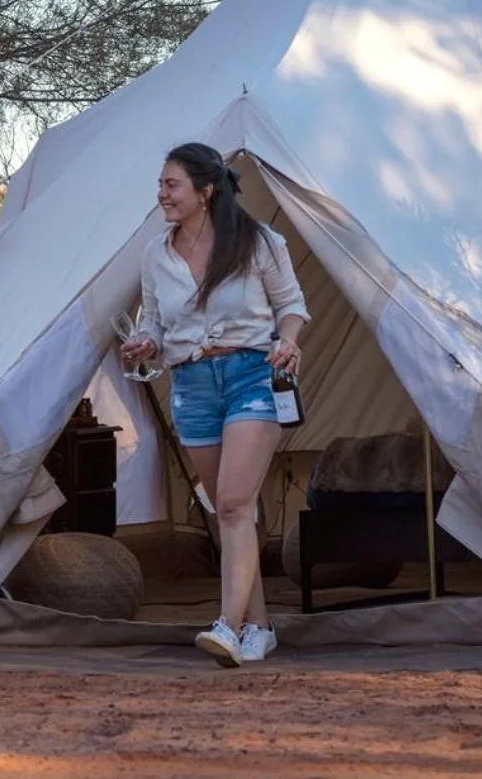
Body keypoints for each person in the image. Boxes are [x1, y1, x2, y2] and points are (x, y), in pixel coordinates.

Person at [119, 142, 308, 667]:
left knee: (231, 504)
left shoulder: (257, 241)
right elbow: (154, 321)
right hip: (190, 385)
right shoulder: (155, 253)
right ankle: (260, 627)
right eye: (160, 185)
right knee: (232, 511)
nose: (161, 195)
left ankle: (227, 626)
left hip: (252, 374)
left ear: (205, 191)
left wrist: (287, 341)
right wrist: (145, 342)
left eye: (170, 184)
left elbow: (291, 306)